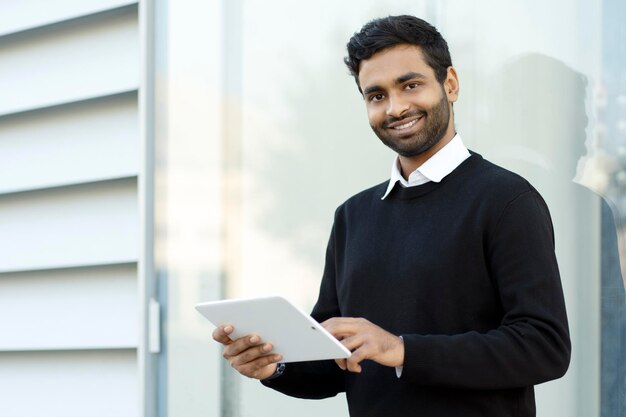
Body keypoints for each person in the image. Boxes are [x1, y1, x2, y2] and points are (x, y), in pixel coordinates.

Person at [212, 15, 571, 417]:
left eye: (410, 85)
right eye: (376, 95)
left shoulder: (507, 200)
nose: (395, 107)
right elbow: (333, 366)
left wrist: (400, 349)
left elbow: (545, 347)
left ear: (450, 84)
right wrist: (273, 366)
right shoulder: (352, 217)